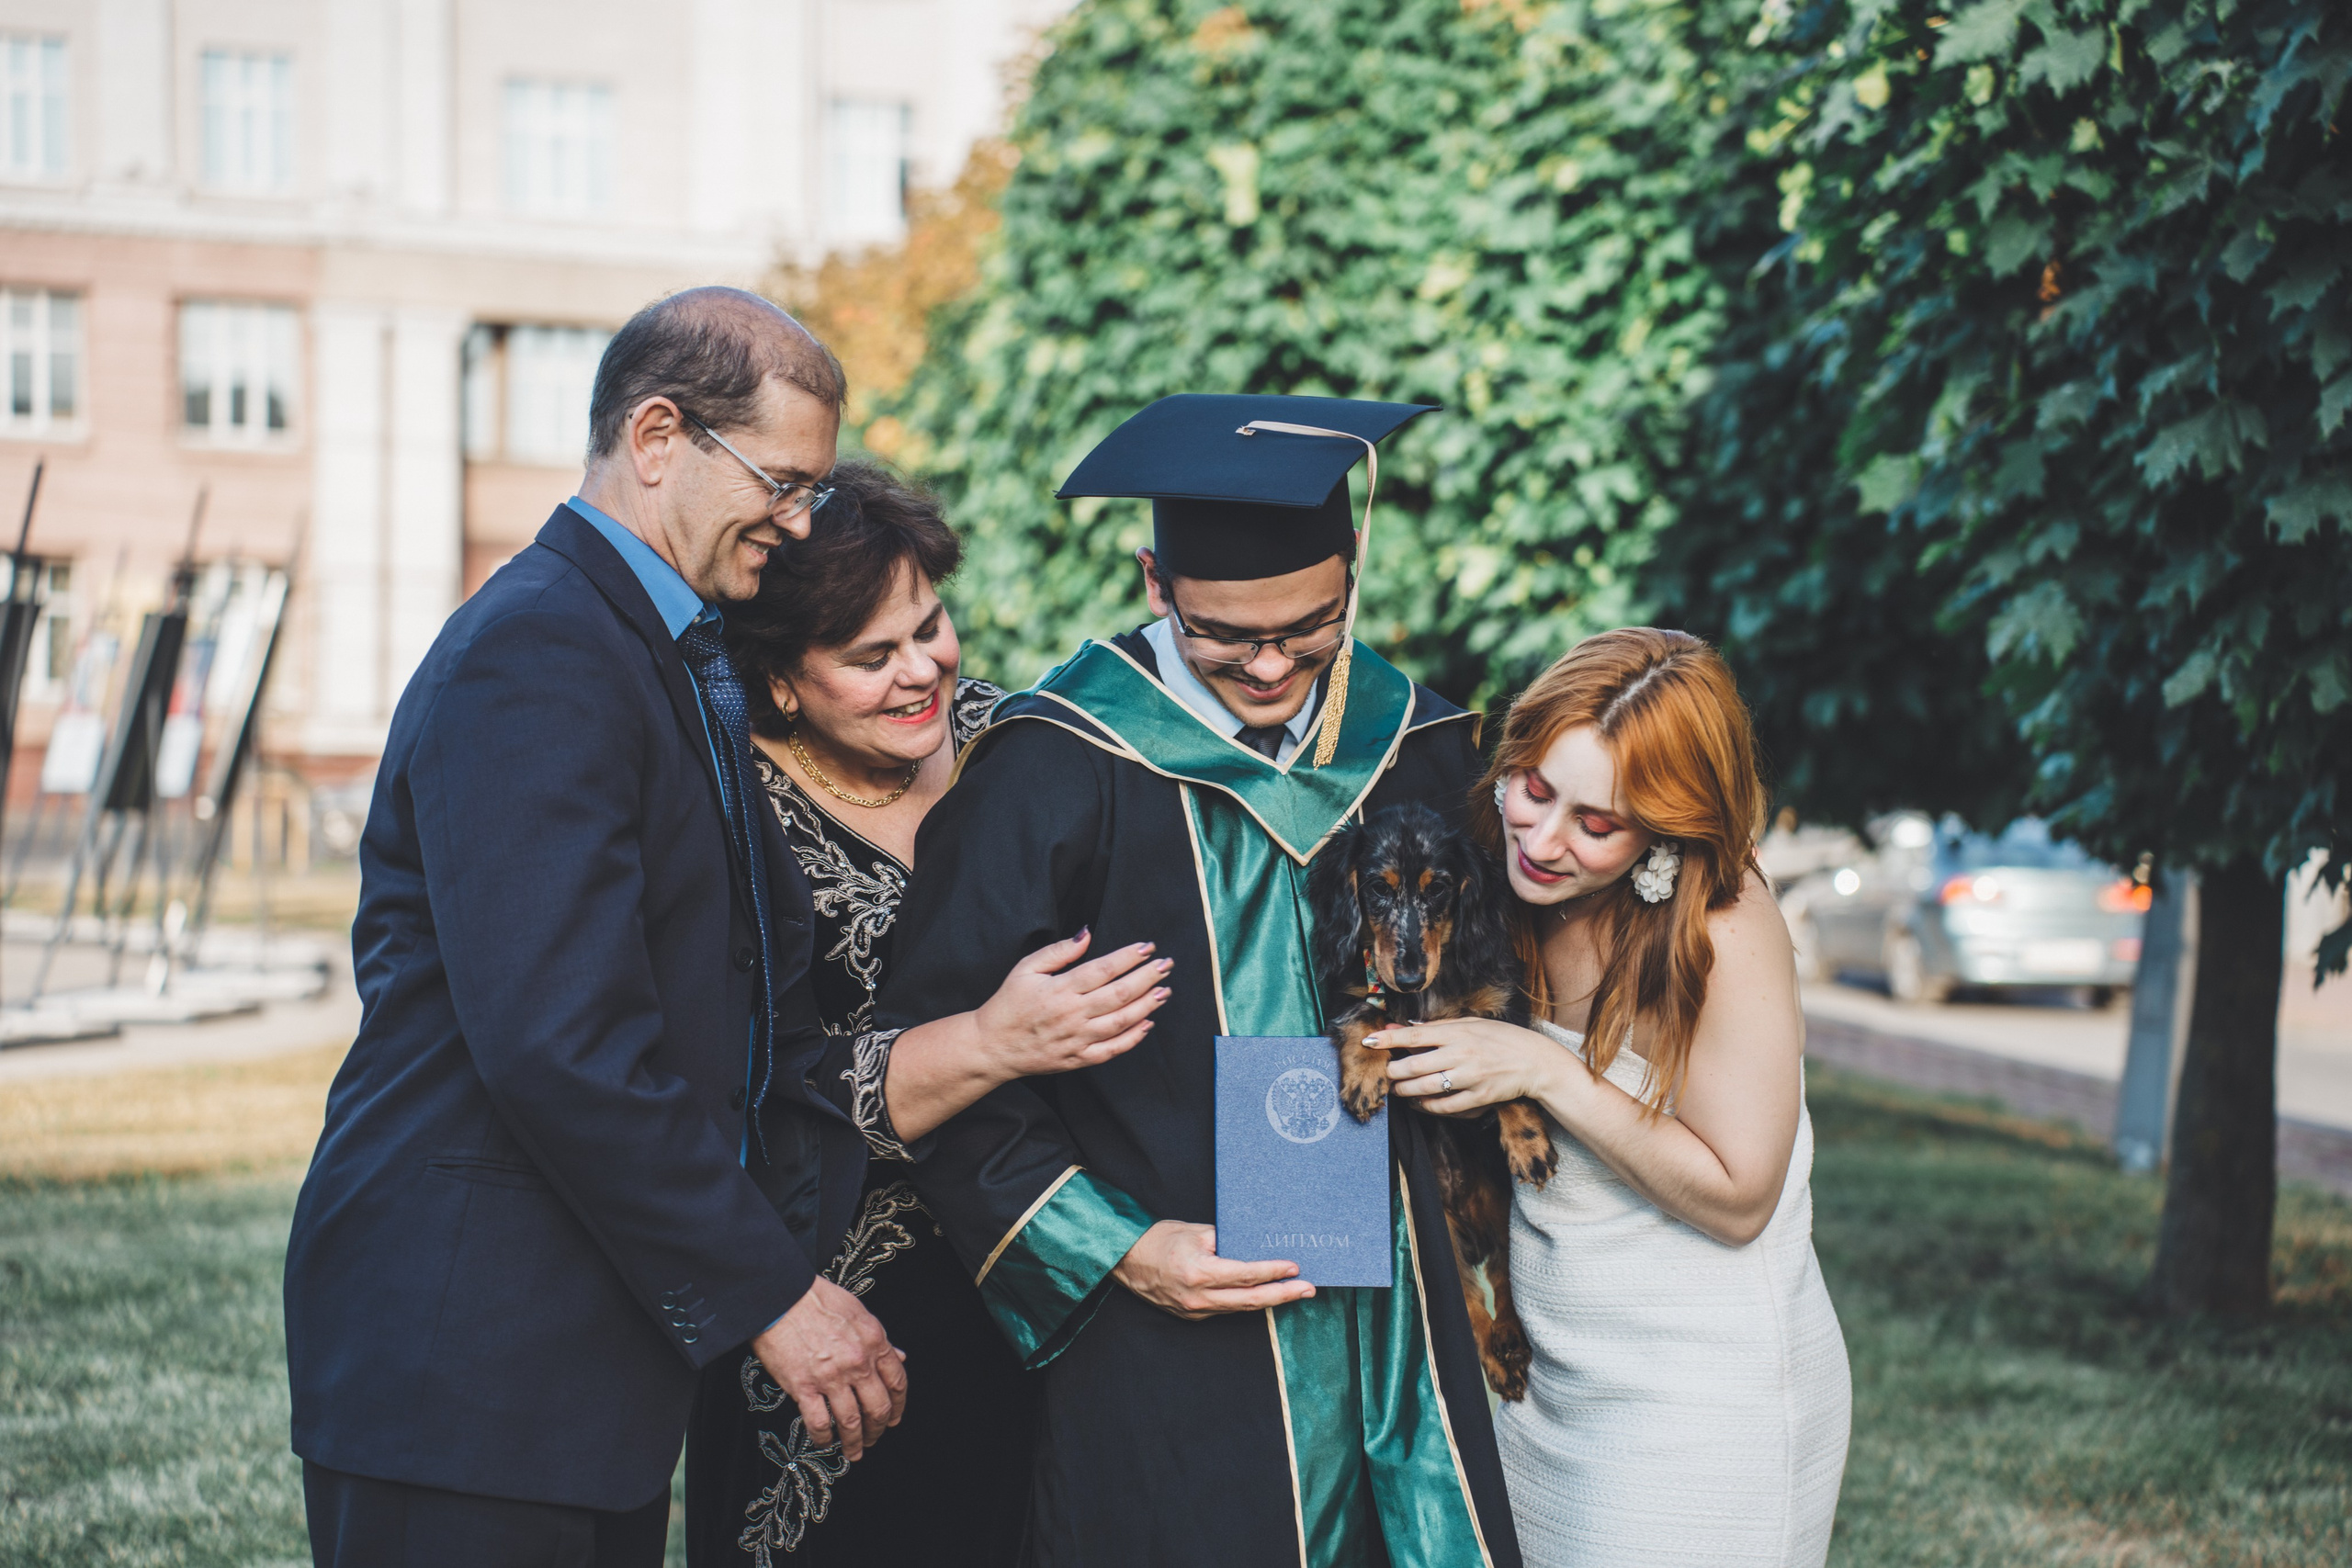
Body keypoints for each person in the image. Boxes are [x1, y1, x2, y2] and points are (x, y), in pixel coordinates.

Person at [865, 394, 1524, 1567]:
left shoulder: (1417, 742)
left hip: (1404, 1305)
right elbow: (947, 1055)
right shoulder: (1055, 767)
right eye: (1228, 635)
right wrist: (1116, 1247)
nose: (1271, 665)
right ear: (1155, 583)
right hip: (1173, 1318)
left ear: (1353, 567)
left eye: (1309, 629)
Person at [685, 464, 1165, 1565]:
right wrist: (996, 1042)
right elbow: (756, 1081)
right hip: (843, 1302)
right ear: (783, 684)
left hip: (1060, 1261)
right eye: (872, 657)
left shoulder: (1029, 746)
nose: (923, 672)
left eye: (931, 626)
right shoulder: (729, 819)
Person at [1364, 628, 1852, 1568]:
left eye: (1596, 822)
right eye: (1534, 789)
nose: (1542, 840)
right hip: (1546, 1384)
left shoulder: (1723, 920)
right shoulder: (1491, 881)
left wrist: (1544, 1071)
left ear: (1668, 826)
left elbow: (1740, 1197)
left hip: (1701, 1402)